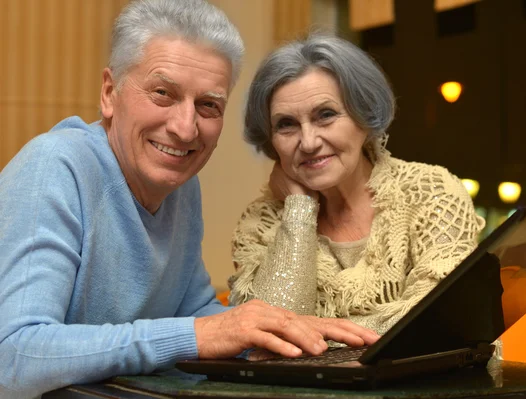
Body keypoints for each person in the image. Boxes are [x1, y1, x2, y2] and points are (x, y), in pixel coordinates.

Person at [0, 3, 379, 398]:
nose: (185, 129)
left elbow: (196, 312)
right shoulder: (53, 167)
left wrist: (280, 334)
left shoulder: (180, 187)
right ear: (109, 93)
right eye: (163, 93)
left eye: (208, 105)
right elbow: (13, 356)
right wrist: (199, 334)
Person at [228, 35, 486, 336]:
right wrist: (299, 209)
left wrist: (315, 330)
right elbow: (269, 337)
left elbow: (434, 323)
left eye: (325, 115)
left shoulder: (432, 192)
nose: (308, 142)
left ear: (364, 116)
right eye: (286, 124)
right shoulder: (260, 223)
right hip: (305, 385)